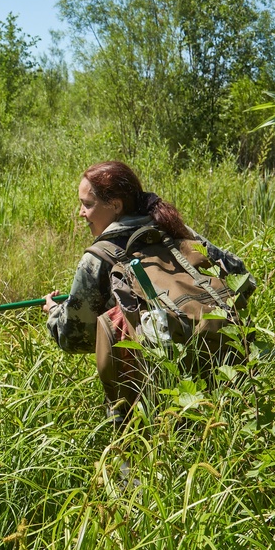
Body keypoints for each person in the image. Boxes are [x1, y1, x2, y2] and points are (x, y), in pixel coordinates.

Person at [41, 160, 256, 422]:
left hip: (147, 402)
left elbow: (72, 337)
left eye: (87, 204)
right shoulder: (175, 230)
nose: (81, 213)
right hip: (225, 380)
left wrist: (54, 312)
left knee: (139, 457)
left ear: (116, 205)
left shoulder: (99, 257)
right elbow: (240, 275)